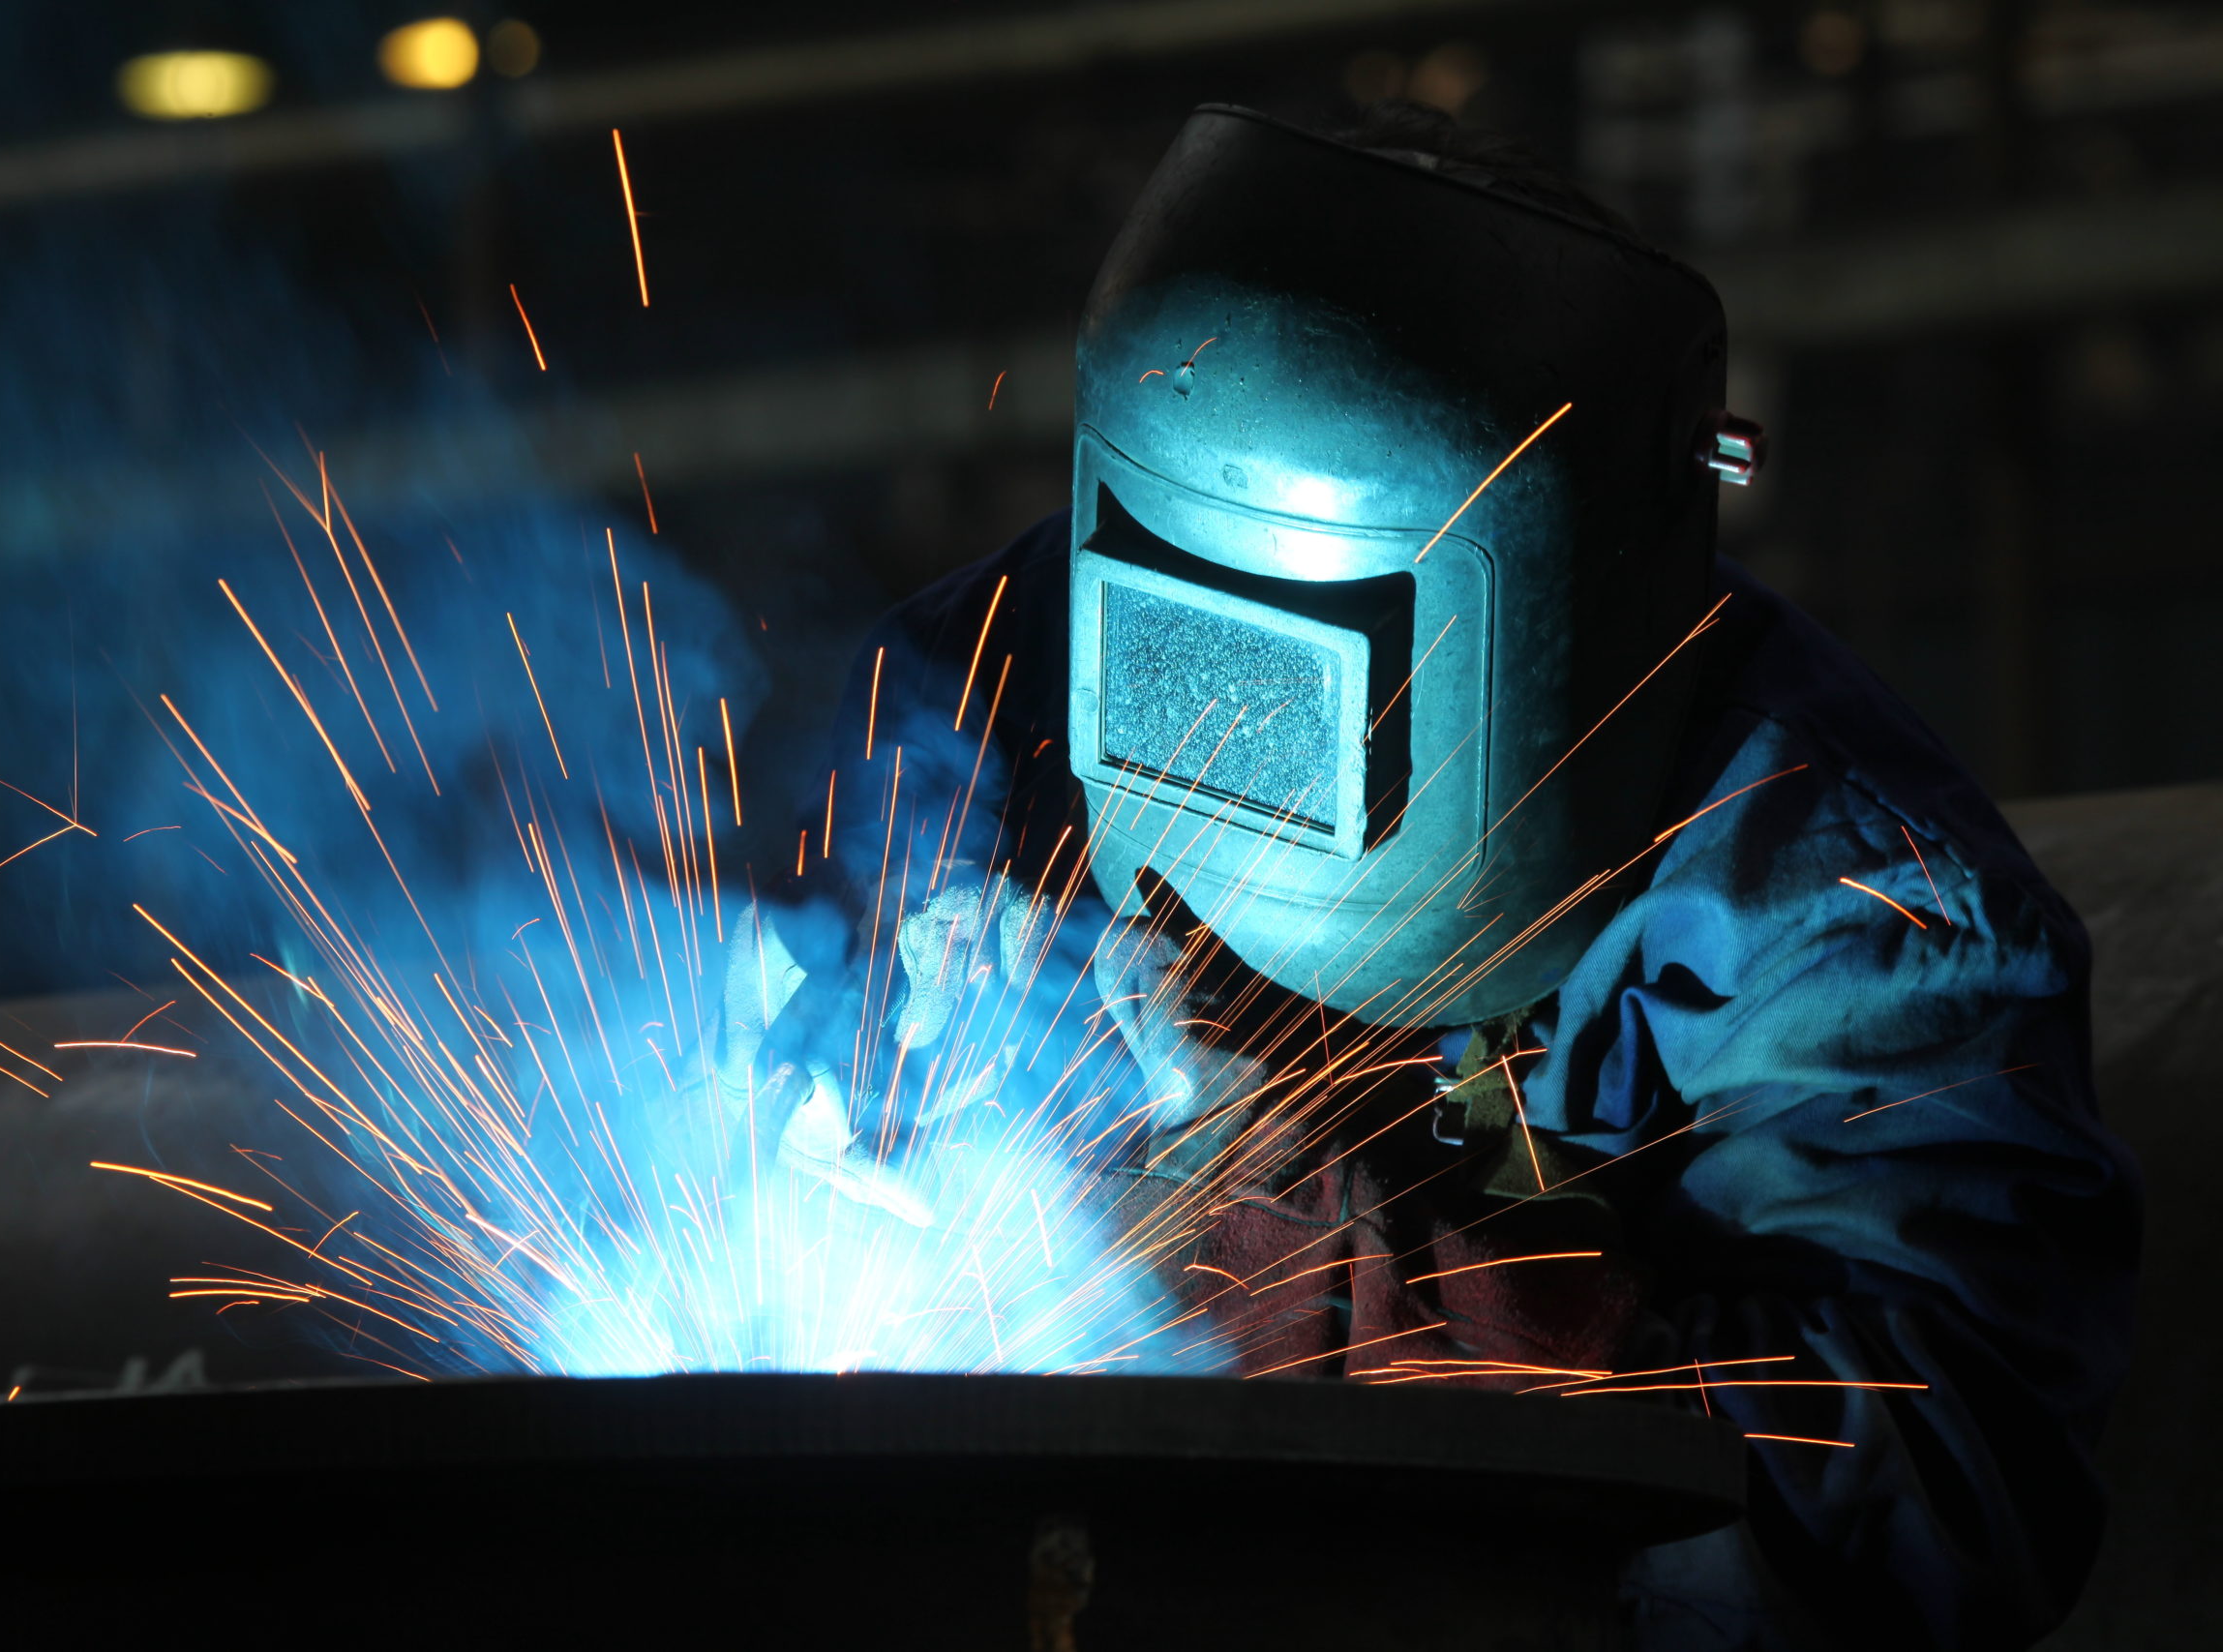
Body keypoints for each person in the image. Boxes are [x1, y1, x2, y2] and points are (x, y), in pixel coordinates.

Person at [720, 103, 2140, 1649]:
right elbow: (721, 952)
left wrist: (1304, 1218)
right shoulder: (988, 682)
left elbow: (1936, 1520)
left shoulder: (1849, 911)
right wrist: (809, 1080)